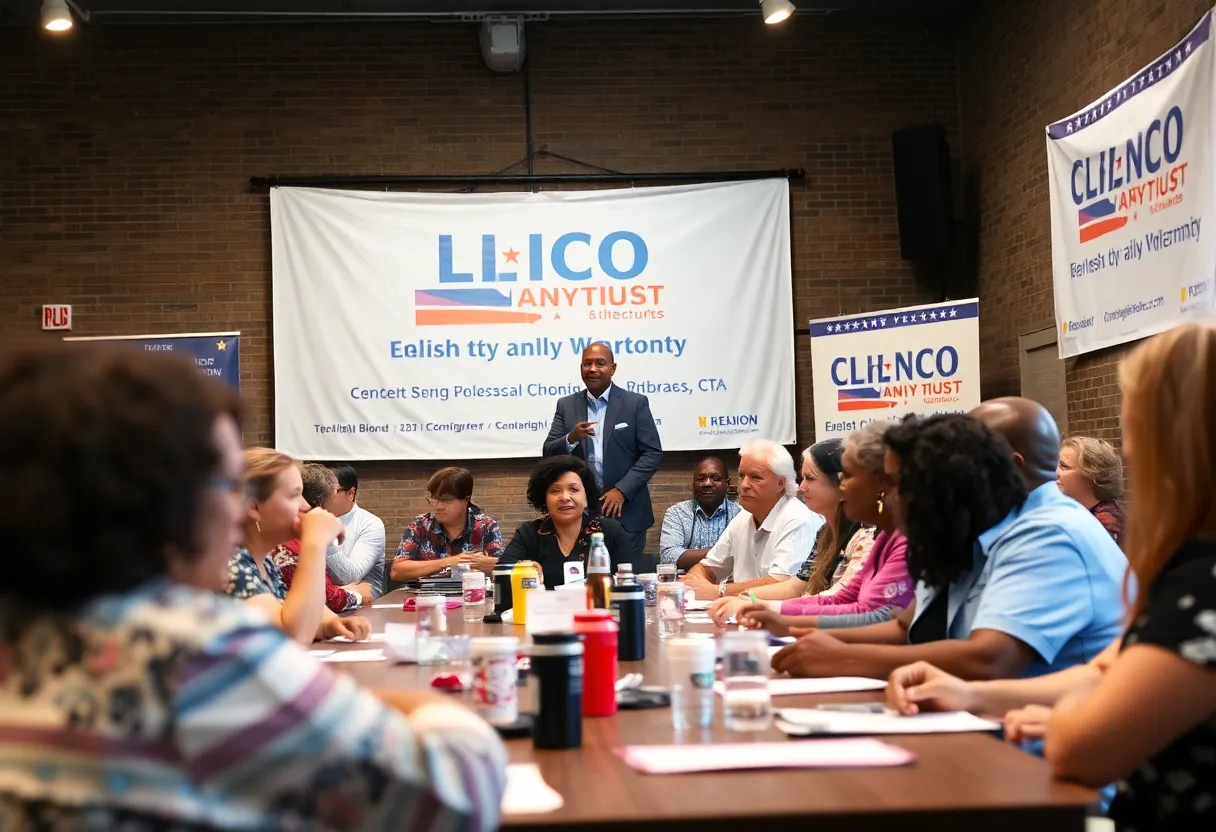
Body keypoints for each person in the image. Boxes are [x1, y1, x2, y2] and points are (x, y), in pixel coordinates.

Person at [0, 343, 507, 830]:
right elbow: (455, 796)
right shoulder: (196, 654)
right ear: (169, 501)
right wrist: (421, 703)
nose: (239, 510)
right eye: (229, 485)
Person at [768, 403, 1126, 681]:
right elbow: (906, 627)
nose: (888, 498)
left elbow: (990, 659)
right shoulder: (971, 526)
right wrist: (797, 630)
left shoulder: (1048, 533)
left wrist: (842, 657)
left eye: (897, 484)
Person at [1041, 322, 1216, 831]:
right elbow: (1106, 673)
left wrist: (1068, 715)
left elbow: (1078, 749)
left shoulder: (1202, 583)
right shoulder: (1188, 566)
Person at [726, 424, 911, 629]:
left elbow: (879, 617)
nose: (843, 486)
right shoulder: (883, 537)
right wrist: (763, 608)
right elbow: (842, 598)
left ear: (881, 485)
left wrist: (785, 622)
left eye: (847, 476)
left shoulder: (889, 539)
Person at [228, 448, 373, 645]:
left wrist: (331, 623)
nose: (305, 506)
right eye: (294, 495)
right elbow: (294, 635)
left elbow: (288, 611)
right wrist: (315, 542)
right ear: (253, 507)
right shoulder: (232, 564)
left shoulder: (266, 563)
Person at [542, 343, 662, 561]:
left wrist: (622, 490)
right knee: (583, 579)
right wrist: (571, 438)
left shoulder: (635, 404)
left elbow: (652, 453)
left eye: (600, 363)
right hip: (581, 516)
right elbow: (548, 452)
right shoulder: (566, 405)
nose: (593, 368)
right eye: (587, 363)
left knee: (625, 581)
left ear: (613, 368)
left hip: (627, 514)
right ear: (581, 368)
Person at [682, 439, 824, 600]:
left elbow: (782, 586)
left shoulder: (799, 519)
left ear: (780, 483)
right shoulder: (743, 516)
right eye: (742, 476)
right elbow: (707, 567)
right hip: (743, 616)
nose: (744, 485)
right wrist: (697, 583)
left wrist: (717, 591)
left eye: (755, 477)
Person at [498, 456, 632, 588]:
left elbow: (631, 581)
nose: (564, 497)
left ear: (586, 498)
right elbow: (501, 573)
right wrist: (522, 567)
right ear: (544, 500)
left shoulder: (611, 531)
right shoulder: (529, 533)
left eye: (573, 489)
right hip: (544, 609)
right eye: (555, 491)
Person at [273, 463, 371, 613]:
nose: (305, 505)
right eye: (294, 495)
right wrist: (357, 595)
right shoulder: (292, 546)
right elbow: (325, 598)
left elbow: (315, 593)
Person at [391, 466, 505, 583]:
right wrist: (449, 561)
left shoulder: (485, 526)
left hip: (473, 594)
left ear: (466, 500)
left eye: (447, 500)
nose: (439, 507)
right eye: (434, 499)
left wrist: (483, 563)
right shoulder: (420, 525)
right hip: (428, 597)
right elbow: (397, 571)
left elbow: (504, 568)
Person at [658, 456, 741, 570]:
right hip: (686, 584)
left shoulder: (740, 513)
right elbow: (669, 557)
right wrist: (723, 551)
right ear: (693, 485)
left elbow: (744, 555)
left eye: (716, 478)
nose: (707, 483)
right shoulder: (677, 513)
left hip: (729, 584)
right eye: (701, 479)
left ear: (727, 484)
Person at [326, 463, 387, 597]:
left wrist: (327, 540)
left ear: (351, 493)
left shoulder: (370, 524)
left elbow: (349, 576)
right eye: (320, 491)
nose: (323, 497)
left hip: (362, 607)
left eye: (330, 492)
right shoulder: (307, 517)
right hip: (321, 603)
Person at [1057, 435, 1126, 546]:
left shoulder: (1105, 524)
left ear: (1090, 476)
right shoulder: (1085, 514)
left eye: (1064, 466)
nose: (1056, 472)